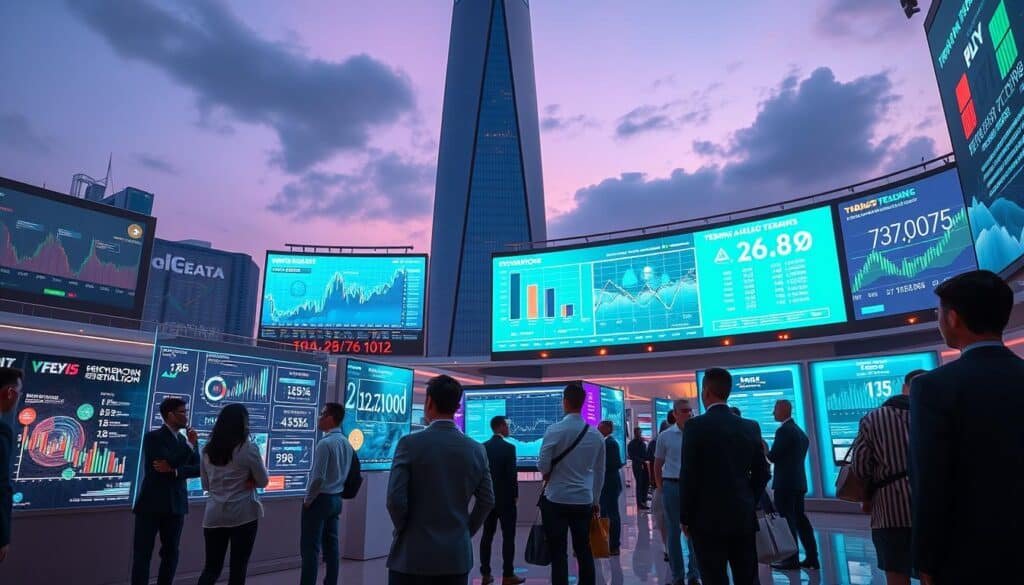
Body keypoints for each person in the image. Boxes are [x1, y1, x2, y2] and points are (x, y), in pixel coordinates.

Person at [910, 270, 1024, 585]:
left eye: (938, 314)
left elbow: (931, 482)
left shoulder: (933, 388)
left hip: (966, 556)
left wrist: (926, 561)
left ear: (953, 319)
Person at [387, 375, 494, 585]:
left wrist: (404, 530)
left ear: (429, 402)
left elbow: (395, 499)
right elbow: (487, 500)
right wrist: (464, 531)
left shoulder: (409, 444)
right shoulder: (477, 449)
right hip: (455, 558)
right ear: (457, 406)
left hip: (411, 556)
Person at [680, 368, 770, 585]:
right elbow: (762, 472)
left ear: (706, 391)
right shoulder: (750, 426)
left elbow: (689, 475)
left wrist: (685, 516)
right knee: (747, 576)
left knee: (713, 576)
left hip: (706, 519)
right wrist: (749, 498)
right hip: (742, 515)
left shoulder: (695, 426)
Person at [851, 369, 925, 585]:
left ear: (904, 388)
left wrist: (866, 496)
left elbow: (861, 467)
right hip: (932, 507)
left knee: (895, 570)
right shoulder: (935, 415)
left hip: (890, 511)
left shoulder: (874, 418)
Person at [537, 381, 606, 585]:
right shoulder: (596, 435)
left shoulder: (554, 430)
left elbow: (542, 466)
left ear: (564, 402)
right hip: (583, 500)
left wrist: (549, 471)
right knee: (584, 550)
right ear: (583, 403)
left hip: (556, 499)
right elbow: (600, 472)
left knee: (558, 553)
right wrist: (595, 500)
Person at [197, 404, 269, 585]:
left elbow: (206, 484)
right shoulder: (248, 448)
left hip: (213, 516)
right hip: (243, 516)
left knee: (211, 568)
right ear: (243, 424)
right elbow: (263, 481)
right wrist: (251, 480)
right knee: (238, 568)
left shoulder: (207, 450)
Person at [131, 397, 200, 585]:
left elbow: (198, 468)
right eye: (182, 412)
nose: (186, 416)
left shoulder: (188, 441)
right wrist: (187, 449)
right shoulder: (153, 438)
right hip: (151, 505)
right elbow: (164, 463)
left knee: (171, 553)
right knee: (142, 554)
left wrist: (176, 471)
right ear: (170, 415)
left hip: (175, 506)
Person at [301, 402, 354, 585]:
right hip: (336, 499)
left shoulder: (325, 444)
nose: (319, 418)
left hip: (320, 499)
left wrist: (308, 500)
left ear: (330, 418)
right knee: (332, 547)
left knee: (310, 548)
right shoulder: (346, 443)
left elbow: (318, 478)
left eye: (322, 414)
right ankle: (331, 581)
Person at [767, 399, 819, 571]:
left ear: (783, 410)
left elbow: (773, 456)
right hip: (798, 483)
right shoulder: (799, 432)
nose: (773, 413)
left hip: (785, 484)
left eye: (775, 409)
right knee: (800, 520)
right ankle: (812, 557)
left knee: (788, 521)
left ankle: (791, 559)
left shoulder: (784, 431)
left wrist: (763, 449)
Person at [655, 400, 700, 585]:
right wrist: (660, 488)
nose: (688, 414)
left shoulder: (697, 434)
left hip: (694, 487)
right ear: (675, 413)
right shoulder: (665, 436)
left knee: (694, 531)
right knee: (673, 532)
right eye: (684, 411)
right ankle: (677, 576)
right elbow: (657, 464)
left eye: (690, 410)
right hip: (672, 485)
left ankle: (694, 574)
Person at [479, 416, 524, 585]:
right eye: (507, 425)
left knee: (486, 536)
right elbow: (512, 476)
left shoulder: (483, 447)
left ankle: (485, 574)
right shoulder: (509, 448)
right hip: (506, 501)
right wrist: (515, 496)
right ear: (500, 427)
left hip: (488, 499)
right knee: (508, 537)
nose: (509, 428)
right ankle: (508, 575)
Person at [0, 367, 22, 564]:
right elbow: (1, 486)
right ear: (9, 393)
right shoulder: (2, 432)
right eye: (18, 393)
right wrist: (3, 536)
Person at [649, 413, 675, 561]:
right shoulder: (662, 439)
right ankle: (669, 549)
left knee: (664, 519)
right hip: (665, 485)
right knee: (665, 519)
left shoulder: (658, 440)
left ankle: (668, 548)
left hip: (665, 485)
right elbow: (656, 464)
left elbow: (654, 464)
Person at [598, 420, 624, 556]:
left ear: (608, 428)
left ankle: (614, 545)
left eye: (600, 427)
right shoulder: (607, 443)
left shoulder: (610, 444)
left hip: (610, 484)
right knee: (604, 513)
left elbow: (614, 464)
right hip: (606, 484)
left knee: (612, 514)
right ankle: (604, 543)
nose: (598, 429)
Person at [627, 427, 650, 511]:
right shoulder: (632, 444)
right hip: (637, 465)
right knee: (639, 483)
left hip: (643, 464)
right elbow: (631, 455)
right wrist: (641, 460)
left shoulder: (642, 443)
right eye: (638, 432)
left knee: (645, 482)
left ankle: (644, 499)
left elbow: (645, 453)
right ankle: (640, 503)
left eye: (640, 432)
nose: (639, 434)